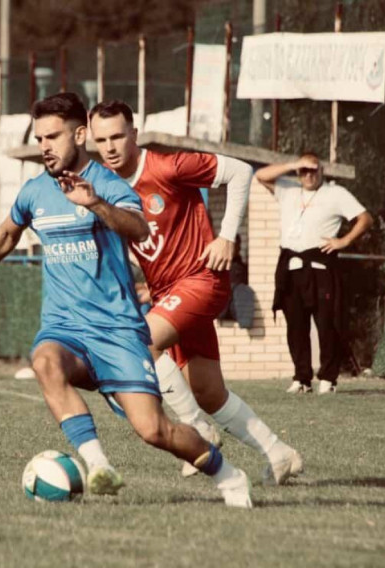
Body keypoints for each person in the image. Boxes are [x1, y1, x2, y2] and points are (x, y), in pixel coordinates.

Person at [0, 93, 252, 508]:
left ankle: (228, 474)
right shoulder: (34, 191)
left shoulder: (110, 185)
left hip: (117, 331)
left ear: (80, 135)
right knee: (44, 361)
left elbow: (139, 228)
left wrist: (94, 203)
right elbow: (7, 234)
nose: (44, 146)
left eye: (53, 137)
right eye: (39, 138)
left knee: (155, 431)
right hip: (65, 327)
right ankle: (99, 467)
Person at [89, 100, 303, 484]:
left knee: (140, 340)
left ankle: (196, 429)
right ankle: (279, 453)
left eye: (117, 136)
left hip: (202, 280)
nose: (110, 147)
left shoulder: (168, 166)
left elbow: (241, 172)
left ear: (134, 134)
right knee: (208, 392)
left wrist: (226, 236)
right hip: (169, 295)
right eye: (101, 140)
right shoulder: (106, 187)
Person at [254, 153, 373, 395]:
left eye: (313, 170)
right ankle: (302, 378)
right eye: (304, 171)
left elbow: (365, 218)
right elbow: (260, 175)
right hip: (291, 266)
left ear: (322, 171)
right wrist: (293, 165)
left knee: (327, 324)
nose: (308, 175)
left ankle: (328, 379)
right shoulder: (288, 190)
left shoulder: (335, 193)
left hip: (320, 266)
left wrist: (344, 241)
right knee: (295, 326)